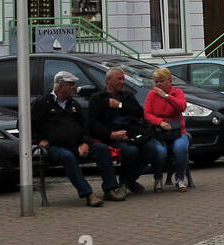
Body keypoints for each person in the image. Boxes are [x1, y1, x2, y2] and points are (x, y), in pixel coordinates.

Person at [31, 70, 123, 206]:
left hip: (77, 144)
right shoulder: (42, 103)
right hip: (55, 147)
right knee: (67, 156)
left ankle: (110, 189)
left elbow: (85, 127)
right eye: (71, 84)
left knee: (102, 149)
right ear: (60, 86)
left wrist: (85, 143)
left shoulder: (73, 104)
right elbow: (26, 125)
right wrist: (39, 140)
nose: (75, 87)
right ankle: (88, 194)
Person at [88, 66, 158, 195]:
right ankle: (126, 183)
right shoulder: (98, 98)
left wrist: (120, 106)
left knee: (153, 149)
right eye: (119, 79)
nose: (122, 82)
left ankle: (126, 182)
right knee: (131, 151)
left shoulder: (127, 96)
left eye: (123, 79)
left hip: (133, 135)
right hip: (112, 137)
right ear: (108, 80)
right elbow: (92, 123)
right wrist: (111, 135)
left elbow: (139, 113)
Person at [143, 67, 190, 191]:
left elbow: (182, 107)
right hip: (158, 132)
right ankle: (158, 179)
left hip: (178, 132)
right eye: (156, 82)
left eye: (161, 81)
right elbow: (147, 114)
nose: (158, 84)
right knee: (160, 151)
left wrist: (166, 96)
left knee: (180, 148)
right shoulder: (152, 94)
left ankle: (180, 178)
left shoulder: (177, 92)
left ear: (170, 81)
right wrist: (160, 122)